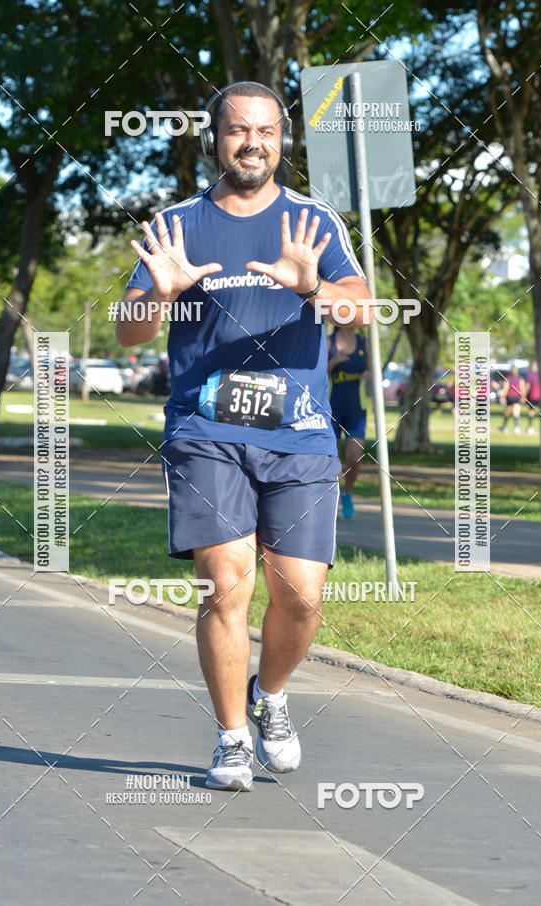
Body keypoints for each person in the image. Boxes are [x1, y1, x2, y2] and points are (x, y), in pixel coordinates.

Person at [116, 81, 371, 791]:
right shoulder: (178, 223)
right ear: (216, 139)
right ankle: (231, 740)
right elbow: (127, 328)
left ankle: (271, 695)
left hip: (302, 432)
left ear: (282, 141)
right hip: (206, 429)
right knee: (227, 584)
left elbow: (364, 308)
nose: (252, 142)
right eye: (238, 131)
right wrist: (155, 297)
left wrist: (312, 289)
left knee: (302, 596)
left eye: (265, 131)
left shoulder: (314, 221)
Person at [327, 325, 369, 517]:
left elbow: (372, 370)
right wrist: (334, 361)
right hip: (332, 406)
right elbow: (318, 373)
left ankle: (348, 493)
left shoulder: (364, 343)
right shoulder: (329, 342)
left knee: (354, 457)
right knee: (333, 459)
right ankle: (332, 497)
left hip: (356, 408)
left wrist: (369, 374)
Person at [500, 366, 526, 434]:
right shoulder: (520, 379)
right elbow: (522, 389)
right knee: (516, 413)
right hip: (516, 397)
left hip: (509, 397)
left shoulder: (508, 379)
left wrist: (502, 397)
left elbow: (505, 389)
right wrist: (523, 397)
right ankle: (516, 428)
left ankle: (504, 427)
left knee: (507, 413)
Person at [523, 360, 541, 434]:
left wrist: (524, 396)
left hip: (532, 396)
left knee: (531, 411)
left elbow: (527, 386)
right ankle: (540, 429)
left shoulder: (530, 375)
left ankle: (530, 427)